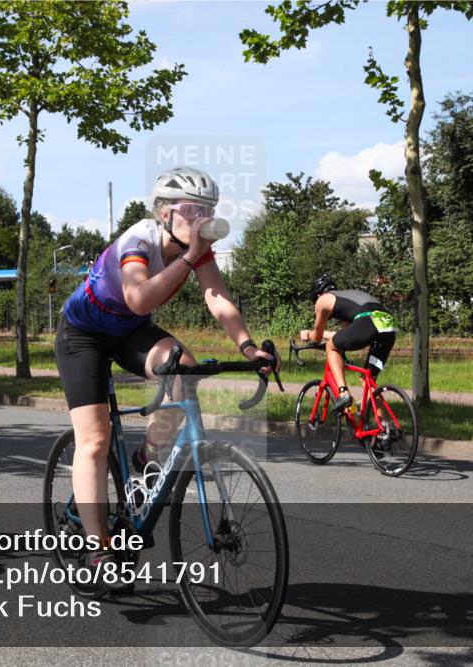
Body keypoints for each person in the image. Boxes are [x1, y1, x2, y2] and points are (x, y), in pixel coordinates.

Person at [56, 166, 278, 593]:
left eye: (208, 210)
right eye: (192, 210)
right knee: (96, 440)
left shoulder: (198, 250)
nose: (202, 218)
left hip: (128, 331)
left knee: (184, 367)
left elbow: (217, 297)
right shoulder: (138, 241)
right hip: (83, 335)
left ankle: (147, 457)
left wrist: (248, 347)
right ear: (164, 213)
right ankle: (98, 548)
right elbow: (138, 298)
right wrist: (191, 256)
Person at [300, 274, 396, 411]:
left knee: (331, 347)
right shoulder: (347, 297)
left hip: (368, 320)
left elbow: (316, 337)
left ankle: (343, 393)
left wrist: (308, 334)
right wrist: (326, 335)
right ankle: (384, 423)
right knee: (368, 381)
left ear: (318, 295)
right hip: (388, 325)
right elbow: (344, 335)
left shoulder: (322, 300)